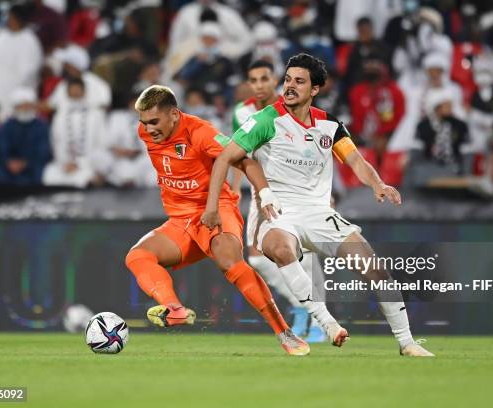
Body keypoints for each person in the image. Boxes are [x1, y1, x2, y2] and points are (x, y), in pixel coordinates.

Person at [203, 53, 434, 356]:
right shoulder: (264, 120)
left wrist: (377, 183)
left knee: (376, 270)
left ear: (314, 90)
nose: (289, 86)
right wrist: (212, 207)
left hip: (320, 212)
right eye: (287, 80)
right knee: (280, 250)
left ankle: (407, 343)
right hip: (279, 213)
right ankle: (325, 322)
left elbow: (356, 160)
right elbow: (224, 158)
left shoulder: (330, 125)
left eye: (299, 81)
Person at [124, 85, 309, 356]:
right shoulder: (146, 132)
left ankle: (284, 332)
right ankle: (174, 310)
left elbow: (246, 162)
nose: (148, 129)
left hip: (216, 210)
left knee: (229, 262)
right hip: (180, 220)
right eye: (144, 123)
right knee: (137, 257)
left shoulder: (201, 132)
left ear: (174, 114)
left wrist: (266, 193)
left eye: (154, 121)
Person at [231, 59, 326, 341]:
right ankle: (302, 307)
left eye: (265, 78)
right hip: (262, 193)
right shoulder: (243, 111)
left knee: (306, 257)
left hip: (298, 191)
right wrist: (235, 190)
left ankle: (319, 323)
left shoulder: (293, 109)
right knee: (258, 260)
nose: (259, 85)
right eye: (254, 80)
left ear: (277, 81)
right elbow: (240, 153)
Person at [42, 77, 106, 188]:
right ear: (67, 92)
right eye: (72, 89)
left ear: (84, 91)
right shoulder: (60, 115)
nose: (75, 92)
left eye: (78, 89)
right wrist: (65, 162)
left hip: (89, 163)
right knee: (50, 176)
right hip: (65, 163)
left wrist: (81, 163)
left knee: (85, 179)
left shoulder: (96, 114)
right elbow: (56, 141)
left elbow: (102, 142)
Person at [0, 88, 51, 185]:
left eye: (27, 106)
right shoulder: (7, 126)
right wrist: (9, 162)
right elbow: (1, 148)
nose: (24, 109)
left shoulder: (42, 126)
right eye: (21, 106)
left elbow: (43, 151)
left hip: (33, 165)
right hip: (10, 166)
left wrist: (25, 164)